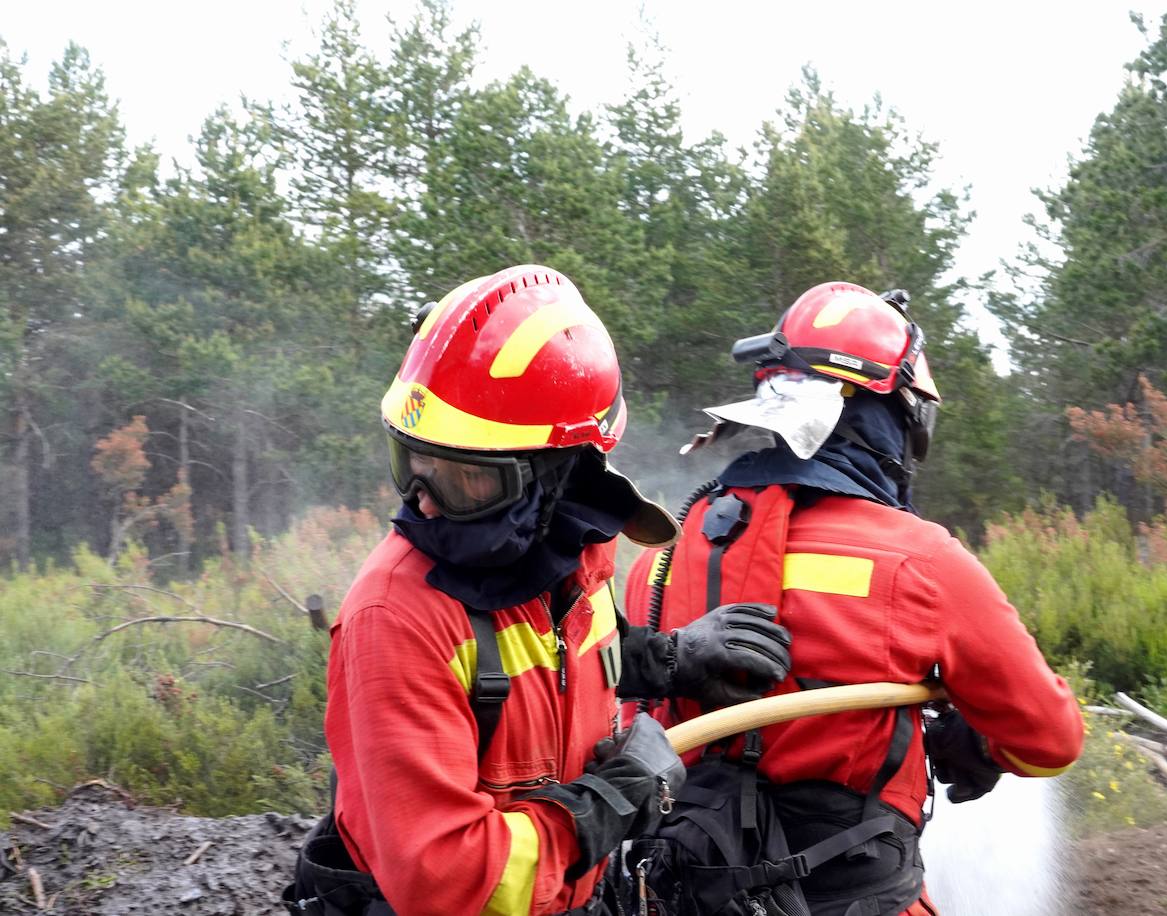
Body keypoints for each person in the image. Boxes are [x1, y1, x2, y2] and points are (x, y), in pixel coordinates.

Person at [283, 265, 793, 916]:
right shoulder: (397, 615)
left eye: (465, 479)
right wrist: (608, 803)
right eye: (411, 464)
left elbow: (562, 661)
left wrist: (666, 661)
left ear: (562, 470)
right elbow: (447, 880)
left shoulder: (574, 555)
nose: (424, 503)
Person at [623, 281, 1084, 916]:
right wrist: (978, 744)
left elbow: (624, 721)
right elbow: (1050, 737)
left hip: (683, 891)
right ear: (891, 418)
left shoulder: (659, 559)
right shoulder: (922, 562)